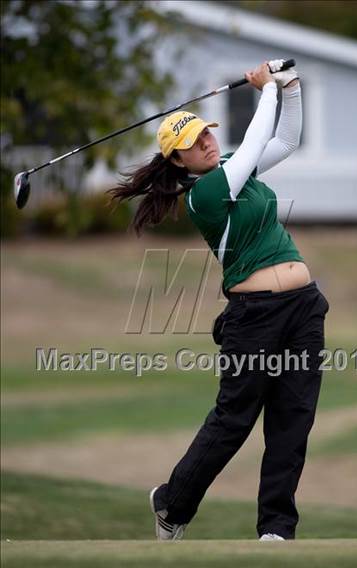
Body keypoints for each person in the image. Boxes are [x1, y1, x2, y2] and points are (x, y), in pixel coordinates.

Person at [107, 59, 330, 541]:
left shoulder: (231, 167)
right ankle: (173, 503)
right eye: (193, 143)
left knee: (293, 420)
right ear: (178, 162)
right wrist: (265, 90)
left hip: (304, 307)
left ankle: (276, 530)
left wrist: (288, 89)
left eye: (206, 134)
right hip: (255, 316)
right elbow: (253, 144)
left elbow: (285, 142)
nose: (207, 142)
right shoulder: (205, 194)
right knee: (235, 419)